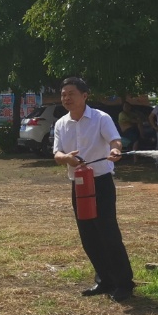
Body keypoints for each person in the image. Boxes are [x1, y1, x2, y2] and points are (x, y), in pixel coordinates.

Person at [52, 77, 135, 302]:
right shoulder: (61, 123)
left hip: (100, 182)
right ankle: (104, 280)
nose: (66, 98)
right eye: (63, 94)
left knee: (108, 233)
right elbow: (57, 153)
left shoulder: (101, 118)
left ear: (84, 95)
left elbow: (115, 141)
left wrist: (116, 151)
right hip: (78, 185)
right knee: (88, 235)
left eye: (71, 93)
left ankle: (124, 283)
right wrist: (66, 159)